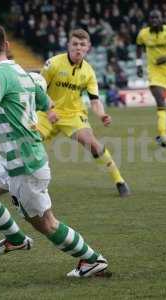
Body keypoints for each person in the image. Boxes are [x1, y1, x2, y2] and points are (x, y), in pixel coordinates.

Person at [0, 22, 110, 278]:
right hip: (9, 158)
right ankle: (16, 239)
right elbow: (42, 96)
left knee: (47, 224)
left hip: (26, 163)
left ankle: (92, 259)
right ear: (6, 46)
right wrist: (49, 110)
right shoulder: (22, 72)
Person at [37, 29, 130, 197]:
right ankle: (12, 179)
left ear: (88, 47)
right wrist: (48, 109)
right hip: (46, 112)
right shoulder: (53, 64)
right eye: (75, 44)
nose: (78, 48)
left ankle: (119, 181)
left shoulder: (89, 72)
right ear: (68, 45)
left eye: (82, 45)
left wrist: (102, 115)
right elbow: (38, 90)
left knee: (92, 143)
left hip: (73, 114)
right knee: (27, 143)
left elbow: (95, 100)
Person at [136, 10, 166, 147]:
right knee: (160, 101)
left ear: (162, 18)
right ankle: (163, 135)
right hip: (155, 72)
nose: (154, 19)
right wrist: (138, 65)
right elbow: (139, 46)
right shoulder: (143, 34)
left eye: (157, 17)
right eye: (151, 17)